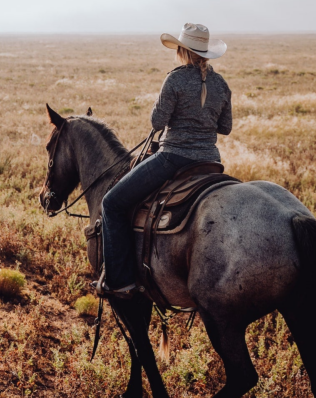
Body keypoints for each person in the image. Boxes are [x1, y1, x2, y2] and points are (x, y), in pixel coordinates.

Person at [96, 23, 232, 296]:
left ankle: (120, 282)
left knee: (111, 203)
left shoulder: (175, 79)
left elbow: (157, 122)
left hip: (174, 157)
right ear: (205, 53)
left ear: (182, 50)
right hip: (211, 163)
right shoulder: (221, 84)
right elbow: (225, 127)